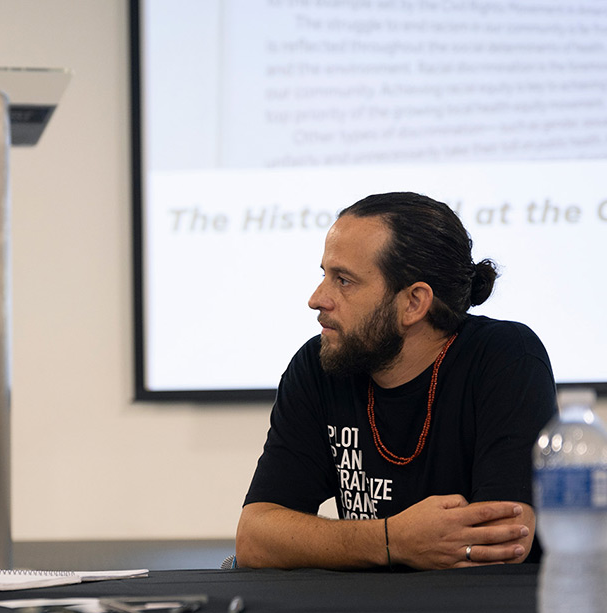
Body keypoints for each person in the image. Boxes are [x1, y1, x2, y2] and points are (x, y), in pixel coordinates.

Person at [236, 192, 557, 570]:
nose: (317, 298)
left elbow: (500, 544)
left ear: (413, 303)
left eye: (343, 280)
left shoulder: (506, 358)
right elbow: (255, 539)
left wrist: (342, 545)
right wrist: (392, 540)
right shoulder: (318, 365)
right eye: (324, 275)